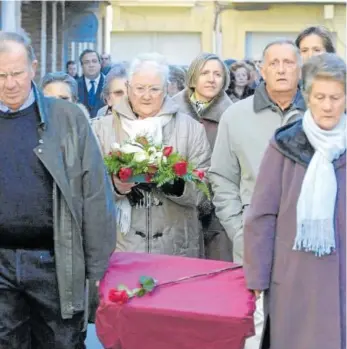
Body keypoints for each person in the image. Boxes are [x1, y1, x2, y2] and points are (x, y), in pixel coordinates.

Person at [0, 31, 117, 348]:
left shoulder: (68, 119)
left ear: (33, 68)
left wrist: (96, 271)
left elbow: (95, 194)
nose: (10, 83)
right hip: (1, 264)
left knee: (61, 342)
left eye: (17, 73)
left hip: (57, 263)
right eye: (1, 75)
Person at [244, 53, 346, 349]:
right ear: (307, 97)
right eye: (321, 96)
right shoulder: (285, 145)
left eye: (336, 97)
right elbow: (261, 216)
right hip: (294, 277)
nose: (328, 105)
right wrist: (257, 278)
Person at [209, 40, 306, 349]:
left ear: (300, 69)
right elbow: (222, 178)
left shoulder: (321, 116)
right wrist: (239, 230)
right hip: (254, 241)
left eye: (289, 62)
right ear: (261, 70)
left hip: (310, 246)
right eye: (273, 63)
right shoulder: (236, 116)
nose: (281, 69)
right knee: (256, 330)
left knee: (306, 328)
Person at [92, 52, 211, 257]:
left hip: (175, 248)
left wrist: (177, 185)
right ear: (128, 87)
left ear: (166, 89)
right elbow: (87, 188)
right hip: (121, 247)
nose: (146, 96)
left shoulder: (191, 129)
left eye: (154, 89)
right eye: (139, 89)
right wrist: (114, 186)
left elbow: (207, 192)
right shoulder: (101, 129)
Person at [172, 52, 232, 261]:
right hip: (176, 202)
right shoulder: (171, 110)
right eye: (205, 72)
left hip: (218, 210)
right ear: (193, 76)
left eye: (217, 74)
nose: (211, 78)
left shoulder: (233, 115)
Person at [77, 49, 105, 118]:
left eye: (94, 61)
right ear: (82, 66)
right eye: (87, 62)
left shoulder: (109, 84)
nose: (91, 65)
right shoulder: (75, 85)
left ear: (100, 64)